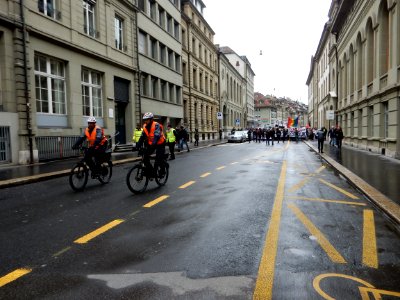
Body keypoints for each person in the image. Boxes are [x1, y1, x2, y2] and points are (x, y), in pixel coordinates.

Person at [136, 112, 166, 177]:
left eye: (147, 119)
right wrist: (137, 145)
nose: (145, 121)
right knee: (145, 158)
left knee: (158, 159)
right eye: (145, 120)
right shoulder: (145, 127)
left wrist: (153, 144)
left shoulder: (156, 125)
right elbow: (142, 137)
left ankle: (162, 171)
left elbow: (157, 135)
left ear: (151, 119)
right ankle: (151, 171)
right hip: (152, 144)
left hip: (160, 143)